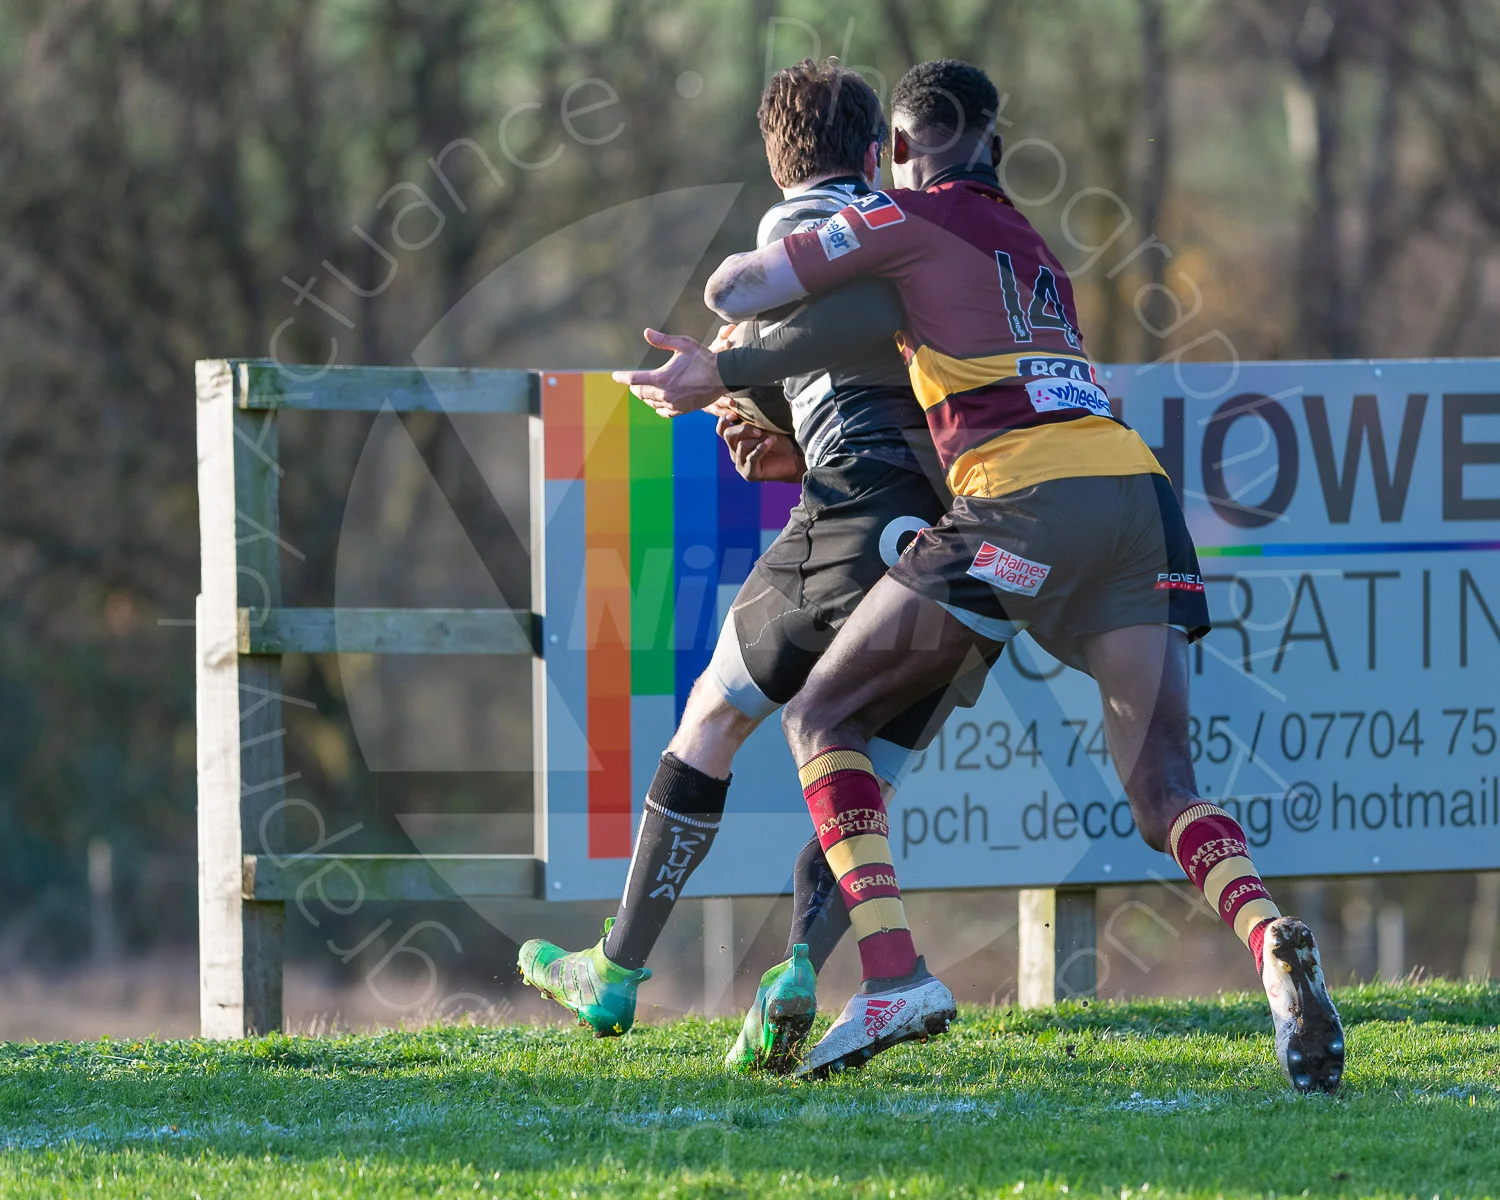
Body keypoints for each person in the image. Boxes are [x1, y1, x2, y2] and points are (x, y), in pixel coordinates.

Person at [622, 59, 1346, 1092]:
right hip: (1135, 498)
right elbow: (902, 338)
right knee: (1163, 791)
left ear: (898, 155)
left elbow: (735, 289)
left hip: (1023, 505)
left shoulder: (902, 218)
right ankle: (1272, 939)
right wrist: (769, 408)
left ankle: (893, 974)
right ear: (994, 145)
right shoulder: (1030, 244)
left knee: (823, 717)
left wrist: (722, 363)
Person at [520, 59, 983, 1074]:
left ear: (781, 167)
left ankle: (615, 972)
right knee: (858, 768)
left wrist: (721, 370)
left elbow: (821, 333)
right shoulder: (938, 232)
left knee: (713, 722)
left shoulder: (801, 228)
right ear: (876, 151)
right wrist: (778, 422)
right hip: (963, 538)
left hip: (854, 519)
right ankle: (793, 981)